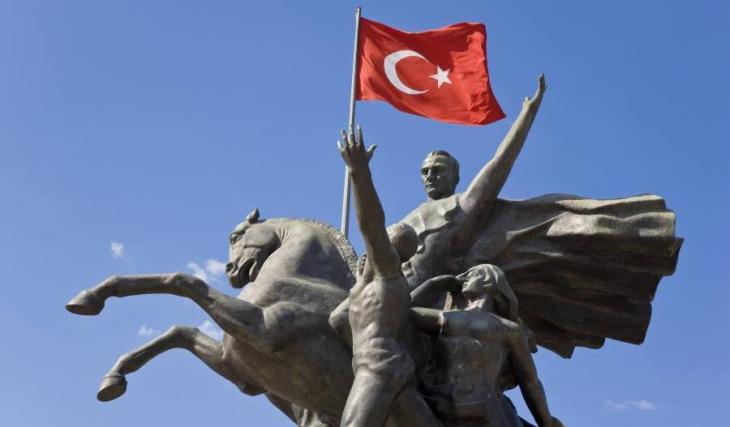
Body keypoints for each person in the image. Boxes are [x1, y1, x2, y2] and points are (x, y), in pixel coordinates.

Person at [400, 75, 547, 291]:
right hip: (382, 297)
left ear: (455, 178)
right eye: (425, 171)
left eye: (438, 170)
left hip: (424, 299)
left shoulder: (462, 207)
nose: (430, 175)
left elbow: (499, 164)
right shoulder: (407, 218)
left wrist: (527, 114)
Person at [337, 127, 441, 427]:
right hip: (389, 365)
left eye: (384, 242)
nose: (373, 246)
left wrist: (359, 172)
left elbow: (371, 223)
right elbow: (336, 320)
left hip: (379, 365)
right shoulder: (366, 288)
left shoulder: (388, 273)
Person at [410, 264, 563, 427]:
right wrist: (434, 283)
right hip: (441, 400)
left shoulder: (509, 330)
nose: (465, 277)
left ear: (490, 281)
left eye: (473, 274)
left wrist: (547, 422)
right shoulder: (447, 317)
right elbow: (396, 311)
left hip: (476, 406)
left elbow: (530, 381)